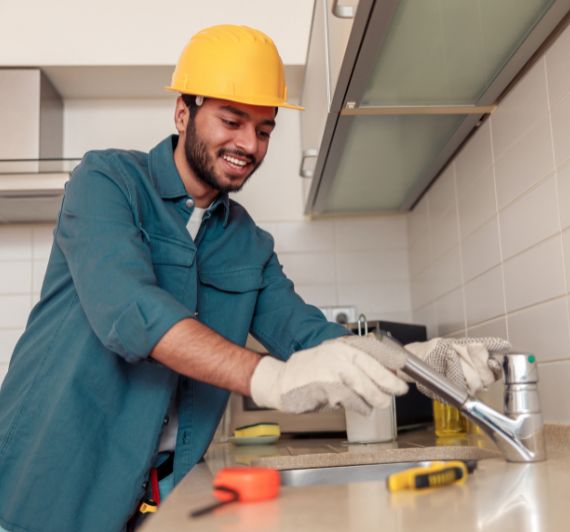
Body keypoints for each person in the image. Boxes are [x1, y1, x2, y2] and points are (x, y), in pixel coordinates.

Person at [0, 25, 509, 532]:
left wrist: (419, 363)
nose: (249, 144)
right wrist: (270, 377)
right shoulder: (107, 182)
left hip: (156, 495)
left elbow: (308, 336)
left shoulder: (248, 242)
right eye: (232, 120)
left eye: (264, 130)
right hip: (46, 485)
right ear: (183, 112)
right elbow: (130, 311)